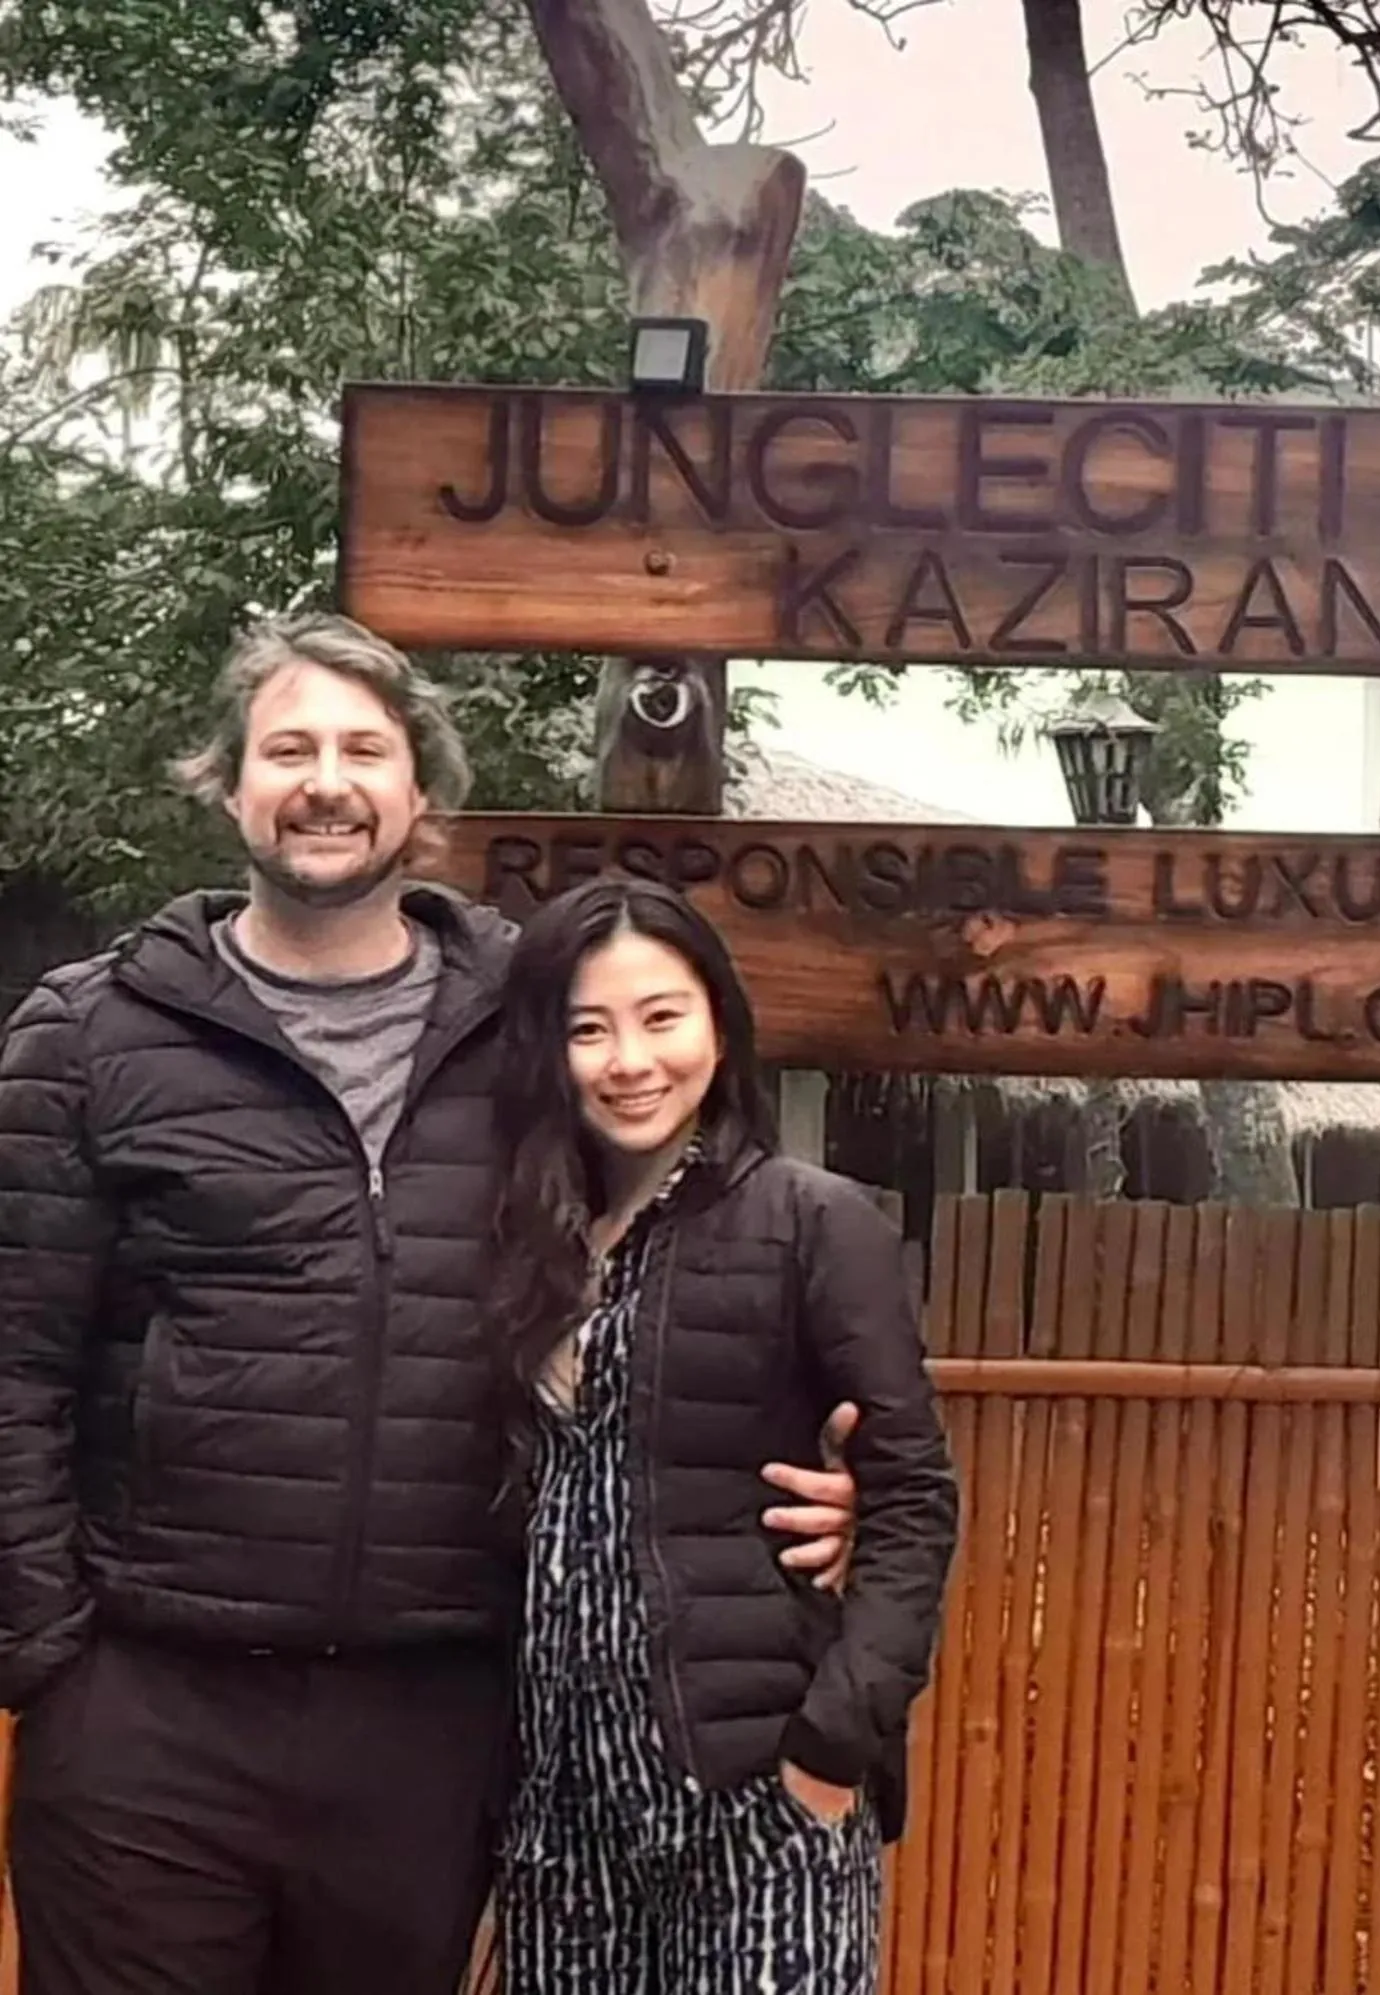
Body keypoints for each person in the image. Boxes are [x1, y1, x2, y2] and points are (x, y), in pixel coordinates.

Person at [0, 613, 860, 1995]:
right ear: (227, 782)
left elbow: (693, 1240)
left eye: (363, 750)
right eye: (287, 749)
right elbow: (15, 1364)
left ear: (420, 792)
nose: (325, 782)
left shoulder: (531, 1018)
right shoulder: (89, 1032)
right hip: (150, 1709)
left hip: (435, 1713)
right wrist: (51, 1657)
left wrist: (824, 1474)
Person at [482, 875, 956, 1993]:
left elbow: (913, 1497)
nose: (630, 1061)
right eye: (589, 1030)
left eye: (663, 1017)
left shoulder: (812, 1220)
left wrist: (830, 1747)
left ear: (720, 1025)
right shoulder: (522, 1240)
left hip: (754, 1795)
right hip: (561, 1813)